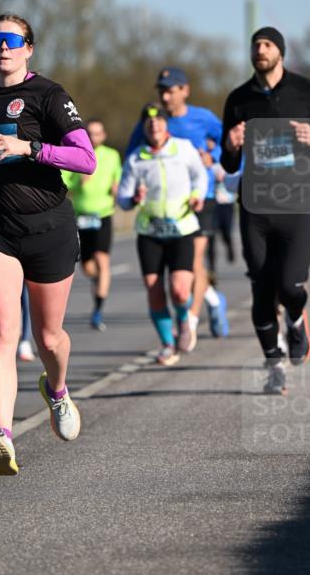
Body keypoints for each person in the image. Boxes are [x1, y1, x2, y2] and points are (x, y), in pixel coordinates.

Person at [0, 13, 95, 476]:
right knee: (1, 331)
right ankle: (2, 435)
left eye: (12, 40)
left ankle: (57, 390)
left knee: (49, 337)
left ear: (29, 48)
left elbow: (86, 159)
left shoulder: (49, 95)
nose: (3, 47)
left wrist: (29, 149)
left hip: (48, 225)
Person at [221, 27, 310, 395]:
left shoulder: (305, 90)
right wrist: (231, 145)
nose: (260, 49)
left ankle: (296, 320)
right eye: (256, 44)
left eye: (267, 44)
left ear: (279, 52)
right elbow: (228, 161)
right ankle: (275, 365)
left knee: (290, 286)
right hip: (255, 209)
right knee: (262, 290)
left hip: (297, 204)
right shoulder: (238, 99)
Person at [126, 67, 223, 351]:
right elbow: (132, 156)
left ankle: (189, 321)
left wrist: (213, 155)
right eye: (162, 91)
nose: (166, 97)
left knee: (194, 263)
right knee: (185, 271)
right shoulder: (151, 121)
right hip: (162, 206)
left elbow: (227, 143)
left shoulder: (203, 117)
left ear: (185, 90)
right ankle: (212, 300)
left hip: (200, 198)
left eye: (171, 91)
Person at [118, 103, 208, 366]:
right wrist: (134, 199)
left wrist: (197, 196)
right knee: (154, 291)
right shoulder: (136, 158)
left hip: (181, 228)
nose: (154, 125)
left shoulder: (183, 148)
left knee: (180, 290)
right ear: (144, 128)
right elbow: (123, 197)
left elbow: (200, 177)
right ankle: (168, 344)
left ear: (166, 125)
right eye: (149, 122)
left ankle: (184, 319)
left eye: (159, 121)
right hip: (150, 232)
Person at [63, 118, 122, 331]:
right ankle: (100, 283)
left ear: (104, 136)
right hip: (81, 216)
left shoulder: (112, 155)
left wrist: (116, 189)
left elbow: (118, 178)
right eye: (89, 133)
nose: (93, 137)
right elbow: (64, 182)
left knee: (102, 260)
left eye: (97, 133)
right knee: (87, 267)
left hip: (103, 214)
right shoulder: (74, 154)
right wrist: (78, 182)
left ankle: (97, 310)